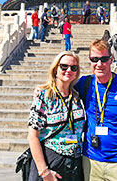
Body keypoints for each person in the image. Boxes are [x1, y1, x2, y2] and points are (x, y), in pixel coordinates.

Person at [75, 40, 117, 181]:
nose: (99, 64)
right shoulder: (84, 84)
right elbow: (61, 86)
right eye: (94, 59)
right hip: (91, 162)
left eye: (104, 59)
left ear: (111, 60)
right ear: (90, 61)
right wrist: (43, 89)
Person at [28, 51, 85, 181]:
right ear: (55, 69)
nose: (68, 70)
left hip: (75, 161)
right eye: (64, 66)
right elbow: (32, 135)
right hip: (51, 158)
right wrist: (44, 171)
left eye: (73, 68)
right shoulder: (44, 97)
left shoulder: (77, 96)